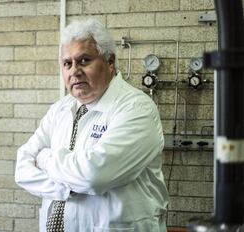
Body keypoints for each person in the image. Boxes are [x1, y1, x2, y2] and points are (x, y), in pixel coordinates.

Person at [15, 18, 169, 232]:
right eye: (67, 63)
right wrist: (68, 187)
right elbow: (22, 169)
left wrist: (44, 158)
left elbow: (93, 175)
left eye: (84, 60)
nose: (74, 71)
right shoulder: (59, 109)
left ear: (110, 62)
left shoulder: (136, 109)